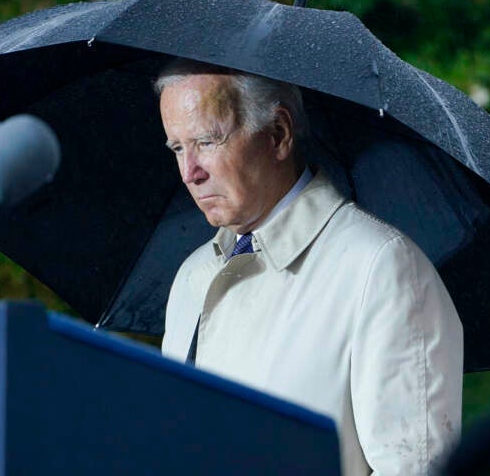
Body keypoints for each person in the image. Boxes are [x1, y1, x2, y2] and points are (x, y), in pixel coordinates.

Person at [156, 58, 463, 476]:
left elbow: (415, 467)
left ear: (278, 134)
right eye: (177, 147)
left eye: (207, 141)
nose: (190, 172)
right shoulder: (192, 277)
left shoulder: (380, 267)